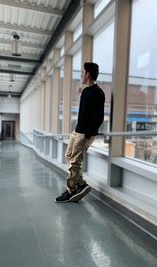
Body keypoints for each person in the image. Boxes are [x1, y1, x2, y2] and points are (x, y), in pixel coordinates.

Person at [55, 62, 105, 203]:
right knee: (69, 155)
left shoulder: (98, 93)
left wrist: (87, 135)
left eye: (82, 72)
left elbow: (99, 118)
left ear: (88, 74)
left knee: (75, 162)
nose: (81, 75)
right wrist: (77, 131)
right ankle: (81, 183)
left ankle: (71, 191)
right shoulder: (85, 91)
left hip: (85, 134)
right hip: (77, 131)